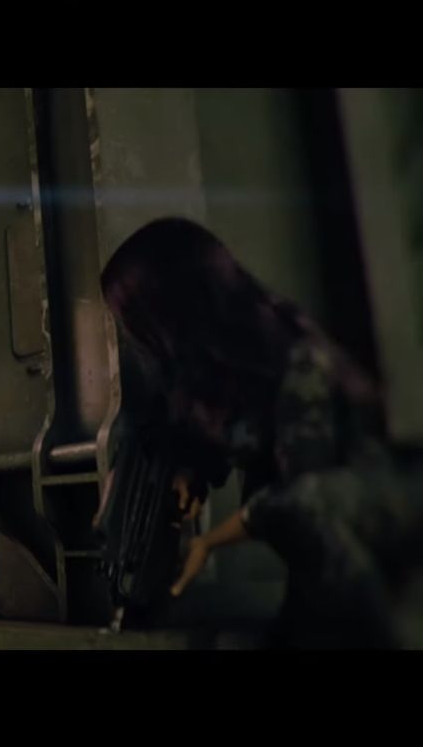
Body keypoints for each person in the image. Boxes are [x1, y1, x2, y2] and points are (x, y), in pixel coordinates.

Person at [100, 217, 420, 648]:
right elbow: (215, 428)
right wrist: (190, 470)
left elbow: (305, 502)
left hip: (381, 581)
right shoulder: (232, 366)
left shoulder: (301, 367)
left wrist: (210, 542)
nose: (134, 338)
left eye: (137, 322)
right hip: (332, 572)